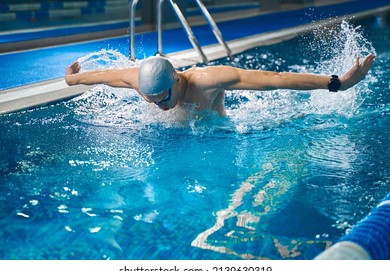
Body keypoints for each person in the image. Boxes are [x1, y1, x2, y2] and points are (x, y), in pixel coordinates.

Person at [65, 54, 375, 116]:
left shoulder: (207, 81)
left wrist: (338, 83)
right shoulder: (142, 81)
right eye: (151, 100)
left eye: (162, 100)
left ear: (175, 79)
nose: (157, 106)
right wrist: (72, 78)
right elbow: (104, 76)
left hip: (217, 136)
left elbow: (274, 80)